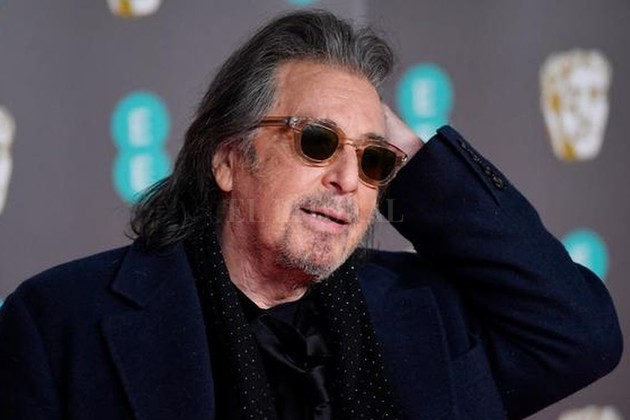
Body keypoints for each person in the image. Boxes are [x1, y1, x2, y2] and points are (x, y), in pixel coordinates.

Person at [0, 10, 622, 420]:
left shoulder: (430, 312)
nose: (348, 179)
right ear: (229, 160)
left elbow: (582, 335)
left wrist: (412, 154)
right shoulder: (60, 321)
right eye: (318, 141)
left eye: (374, 158)